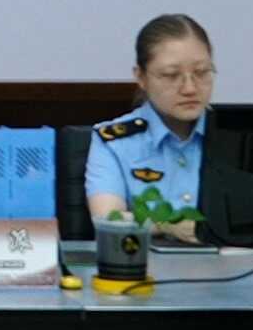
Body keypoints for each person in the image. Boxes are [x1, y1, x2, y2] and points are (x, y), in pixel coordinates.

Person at [84, 13, 214, 242]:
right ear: (141, 77)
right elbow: (107, 219)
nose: (190, 88)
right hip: (146, 261)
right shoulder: (114, 141)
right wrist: (168, 225)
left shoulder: (238, 135)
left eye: (202, 72)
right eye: (171, 75)